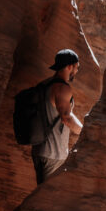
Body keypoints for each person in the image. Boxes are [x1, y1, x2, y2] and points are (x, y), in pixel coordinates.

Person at [31, 48, 83, 184]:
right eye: (76, 67)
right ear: (70, 66)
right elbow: (67, 117)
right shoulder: (62, 88)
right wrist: (84, 132)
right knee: (48, 200)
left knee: (42, 193)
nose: (76, 72)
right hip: (53, 153)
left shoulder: (43, 85)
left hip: (38, 149)